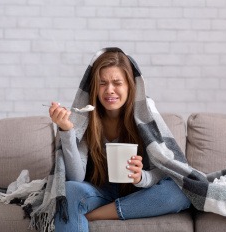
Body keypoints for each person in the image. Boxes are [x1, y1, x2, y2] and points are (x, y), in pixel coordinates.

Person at [47, 47, 191, 232]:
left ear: (129, 85)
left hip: (139, 193)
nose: (110, 90)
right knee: (70, 191)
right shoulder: (85, 119)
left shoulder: (145, 114)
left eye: (117, 82)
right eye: (102, 83)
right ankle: (101, 209)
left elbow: (167, 168)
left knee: (181, 190)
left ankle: (96, 214)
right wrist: (66, 131)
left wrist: (142, 177)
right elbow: (76, 177)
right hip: (98, 191)